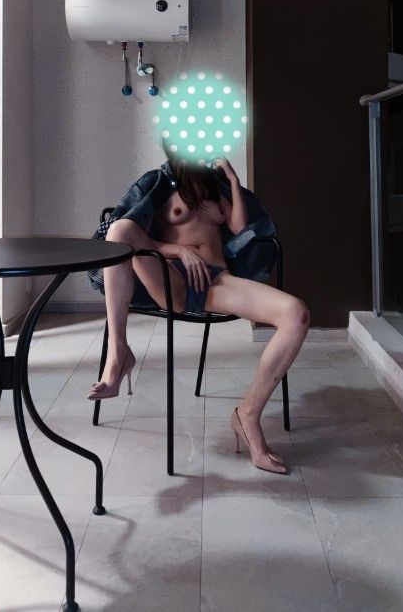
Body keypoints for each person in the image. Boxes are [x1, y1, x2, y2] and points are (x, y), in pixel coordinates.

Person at [87, 155, 310, 474]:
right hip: (171, 280)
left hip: (218, 282)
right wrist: (179, 250)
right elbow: (126, 232)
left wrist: (233, 181)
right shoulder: (157, 184)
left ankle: (247, 415)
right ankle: (118, 353)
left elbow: (240, 228)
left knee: (296, 314)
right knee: (120, 229)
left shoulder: (216, 187)